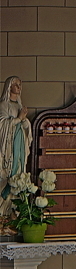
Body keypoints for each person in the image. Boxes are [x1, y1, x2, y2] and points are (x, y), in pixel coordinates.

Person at [0, 75, 32, 235]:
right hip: (8, 151)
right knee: (8, 179)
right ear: (9, 87)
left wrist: (25, 122)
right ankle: (3, 218)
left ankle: (14, 218)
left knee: (18, 176)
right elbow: (2, 126)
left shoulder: (19, 105)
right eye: (16, 84)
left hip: (19, 147)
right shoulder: (4, 105)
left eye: (20, 84)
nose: (19, 87)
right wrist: (18, 119)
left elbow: (26, 128)